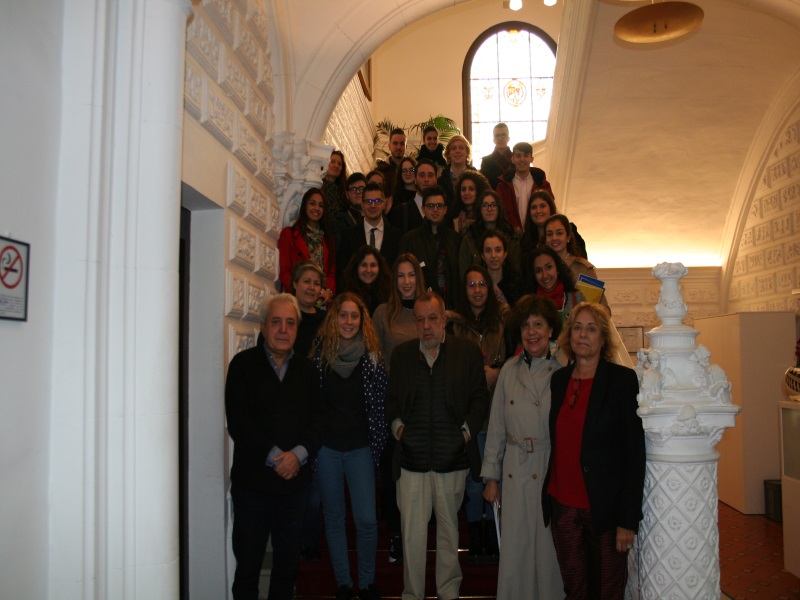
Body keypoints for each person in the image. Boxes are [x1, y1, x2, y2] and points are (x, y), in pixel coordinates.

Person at [385, 291, 490, 600]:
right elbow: (391, 401)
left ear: (444, 319)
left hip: (452, 460)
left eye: (433, 318)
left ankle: (448, 593)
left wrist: (466, 435)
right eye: (420, 320)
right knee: (412, 537)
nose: (426, 326)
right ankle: (412, 594)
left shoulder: (467, 352)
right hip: (410, 462)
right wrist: (400, 430)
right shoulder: (402, 355)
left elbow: (480, 398)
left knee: (449, 535)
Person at [543, 302, 645, 599]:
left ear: (603, 338)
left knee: (608, 590)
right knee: (575, 588)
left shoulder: (622, 381)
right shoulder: (559, 380)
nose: (583, 335)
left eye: (591, 329)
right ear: (568, 335)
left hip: (605, 508)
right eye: (577, 327)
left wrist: (627, 520)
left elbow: (634, 454)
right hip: (563, 505)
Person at [225, 293, 324, 600]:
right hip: (252, 488)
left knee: (286, 570)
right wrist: (275, 458)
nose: (283, 330)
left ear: (297, 328)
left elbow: (318, 421)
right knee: (247, 571)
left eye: (290, 323)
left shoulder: (307, 371)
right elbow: (239, 422)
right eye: (276, 322)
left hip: (294, 490)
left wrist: (297, 456)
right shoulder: (242, 366)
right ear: (264, 327)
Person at [481, 294, 565, 599]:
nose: (532, 332)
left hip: (549, 467)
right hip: (515, 467)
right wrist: (491, 476)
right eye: (526, 325)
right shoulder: (508, 371)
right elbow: (497, 428)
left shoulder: (564, 370)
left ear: (551, 330)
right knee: (517, 549)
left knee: (548, 550)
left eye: (539, 325)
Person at [310, 293, 388, 600]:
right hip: (328, 449)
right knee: (334, 518)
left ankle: (366, 583)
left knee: (367, 519)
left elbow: (381, 406)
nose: (348, 322)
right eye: (343, 315)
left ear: (362, 320)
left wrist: (378, 446)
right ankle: (344, 583)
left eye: (354, 316)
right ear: (334, 318)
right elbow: (311, 405)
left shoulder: (372, 357)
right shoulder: (318, 357)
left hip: (360, 449)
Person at [446, 265, 507, 560]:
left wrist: (497, 372)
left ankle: (493, 538)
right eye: (471, 284)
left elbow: (514, 361)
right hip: (468, 416)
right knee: (473, 483)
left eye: (482, 283)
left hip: (497, 415)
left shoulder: (502, 323)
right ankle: (476, 540)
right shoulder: (454, 325)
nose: (477, 289)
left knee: (494, 479)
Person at [372, 253, 427, 565]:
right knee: (392, 473)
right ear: (394, 281)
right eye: (400, 276)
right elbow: (376, 361)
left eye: (411, 275)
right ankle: (396, 534)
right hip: (392, 406)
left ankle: (417, 533)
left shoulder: (428, 311)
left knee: (420, 476)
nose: (406, 282)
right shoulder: (383, 314)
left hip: (424, 405)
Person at [398, 185, 462, 309]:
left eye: (439, 205)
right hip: (419, 306)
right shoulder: (409, 240)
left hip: (452, 306)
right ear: (423, 209)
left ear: (445, 209)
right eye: (431, 206)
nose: (435, 209)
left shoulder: (456, 239)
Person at [278, 187, 336, 300]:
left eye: (321, 205)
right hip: (296, 301)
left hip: (321, 303)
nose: (316, 208)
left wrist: (329, 292)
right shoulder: (289, 234)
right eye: (312, 204)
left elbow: (331, 274)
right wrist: (299, 294)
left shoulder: (328, 239)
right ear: (305, 206)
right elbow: (284, 272)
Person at [337, 182, 402, 282]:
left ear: (384, 204)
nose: (373, 205)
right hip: (357, 295)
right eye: (368, 201)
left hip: (388, 295)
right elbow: (342, 273)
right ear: (362, 205)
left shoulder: (397, 237)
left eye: (377, 201)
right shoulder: (348, 236)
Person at [459, 190, 520, 280]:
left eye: (493, 205)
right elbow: (464, 275)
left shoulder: (511, 236)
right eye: (485, 205)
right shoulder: (469, 238)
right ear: (479, 209)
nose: (489, 209)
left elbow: (517, 270)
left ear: (499, 208)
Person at [496, 142, 554, 231]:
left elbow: (551, 210)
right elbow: (499, 212)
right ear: (512, 159)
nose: (522, 159)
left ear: (531, 159)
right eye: (518, 156)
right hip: (511, 235)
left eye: (526, 155)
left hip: (537, 234)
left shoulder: (543, 185)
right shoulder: (503, 186)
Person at [529, 247, 586, 321]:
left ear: (558, 269)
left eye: (548, 267)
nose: (545, 275)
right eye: (538, 270)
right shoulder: (530, 305)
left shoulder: (577, 298)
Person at [387, 158, 437, 235]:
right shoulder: (399, 213)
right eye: (422, 175)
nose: (426, 179)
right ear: (415, 179)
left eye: (430, 175)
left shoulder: (445, 211)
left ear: (436, 179)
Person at [341, 245, 392, 315]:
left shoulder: (388, 294)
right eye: (364, 265)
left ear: (380, 268)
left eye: (373, 265)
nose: (368, 270)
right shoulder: (346, 294)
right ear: (356, 267)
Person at [480, 229, 522, 312]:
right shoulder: (478, 284)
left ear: (505, 254)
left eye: (498, 250)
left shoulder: (517, 283)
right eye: (488, 251)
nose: (493, 255)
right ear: (482, 256)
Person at [437, 134, 476, 214]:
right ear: (448, 154)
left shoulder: (476, 178)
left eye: (461, 148)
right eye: (453, 148)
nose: (457, 151)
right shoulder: (440, 181)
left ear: (467, 153)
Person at [330, 173, 366, 251]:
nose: (358, 192)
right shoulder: (338, 221)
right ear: (347, 195)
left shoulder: (377, 216)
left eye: (361, 188)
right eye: (353, 189)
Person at [479, 122, 513, 190]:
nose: (500, 138)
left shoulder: (515, 159)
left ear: (508, 138)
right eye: (497, 135)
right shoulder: (486, 161)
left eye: (503, 135)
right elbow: (483, 186)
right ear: (493, 140)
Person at [375, 127, 407, 194]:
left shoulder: (414, 170)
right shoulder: (380, 171)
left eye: (402, 144)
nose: (398, 147)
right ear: (389, 146)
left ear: (406, 147)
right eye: (395, 143)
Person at [321, 150, 348, 216]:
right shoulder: (318, 184)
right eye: (332, 162)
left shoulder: (344, 192)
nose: (336, 166)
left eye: (339, 164)